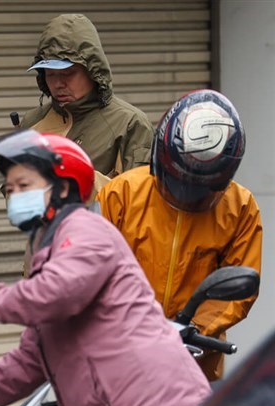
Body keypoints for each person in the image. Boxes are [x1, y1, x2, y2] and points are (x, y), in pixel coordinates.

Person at [0, 129, 211, 406]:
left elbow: (60, 291)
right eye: (9, 190)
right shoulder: (49, 257)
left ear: (64, 188)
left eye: (24, 186)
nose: (13, 197)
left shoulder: (85, 231)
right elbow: (24, 366)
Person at [96, 89, 262, 382]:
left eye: (198, 188)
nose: (185, 193)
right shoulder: (120, 194)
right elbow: (91, 269)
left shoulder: (240, 208)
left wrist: (193, 329)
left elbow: (237, 289)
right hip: (118, 358)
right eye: (178, 181)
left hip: (193, 368)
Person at [21, 13, 154, 189]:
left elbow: (138, 198)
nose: (58, 84)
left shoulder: (130, 124)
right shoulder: (32, 122)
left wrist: (77, 177)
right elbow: (14, 191)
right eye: (50, 74)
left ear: (92, 70)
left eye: (68, 73)